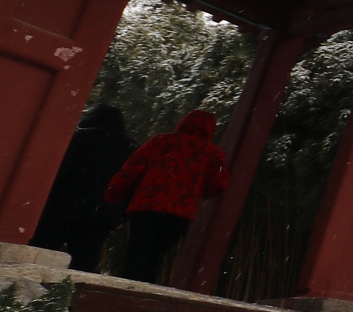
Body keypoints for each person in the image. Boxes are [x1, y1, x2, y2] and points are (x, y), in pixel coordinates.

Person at [103, 110, 230, 284]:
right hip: (180, 213)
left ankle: (125, 293)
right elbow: (218, 185)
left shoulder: (161, 141)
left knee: (136, 255)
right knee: (155, 257)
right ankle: (143, 297)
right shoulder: (213, 154)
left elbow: (131, 169)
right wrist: (196, 192)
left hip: (147, 206)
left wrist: (113, 194)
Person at [29, 104, 133, 272]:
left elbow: (59, 171)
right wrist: (121, 216)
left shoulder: (79, 138)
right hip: (102, 215)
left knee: (38, 253)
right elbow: (132, 186)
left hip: (63, 208)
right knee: (85, 263)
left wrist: (44, 200)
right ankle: (77, 296)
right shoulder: (132, 148)